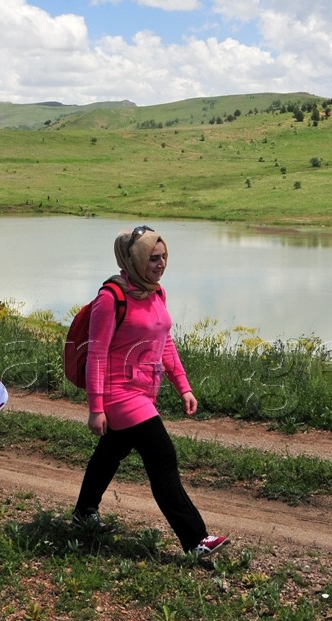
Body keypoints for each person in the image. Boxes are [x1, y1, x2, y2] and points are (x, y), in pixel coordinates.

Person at [72, 225, 230, 559]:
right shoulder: (110, 298)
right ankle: (196, 540)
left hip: (144, 392)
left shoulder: (155, 292)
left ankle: (83, 512)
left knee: (110, 453)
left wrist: (183, 386)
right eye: (152, 258)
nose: (160, 264)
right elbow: (97, 355)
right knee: (163, 458)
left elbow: (165, 342)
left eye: (163, 257)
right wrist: (96, 407)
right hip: (119, 393)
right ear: (134, 259)